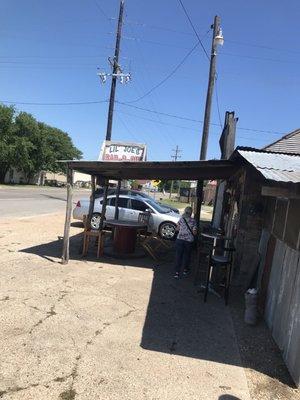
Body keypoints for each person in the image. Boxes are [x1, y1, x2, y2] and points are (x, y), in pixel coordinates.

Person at [174, 206, 197, 279]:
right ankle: (185, 270)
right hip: (189, 241)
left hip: (180, 239)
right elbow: (194, 232)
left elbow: (177, 229)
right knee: (187, 255)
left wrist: (182, 230)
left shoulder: (181, 219)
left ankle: (177, 272)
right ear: (191, 212)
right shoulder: (193, 221)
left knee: (178, 256)